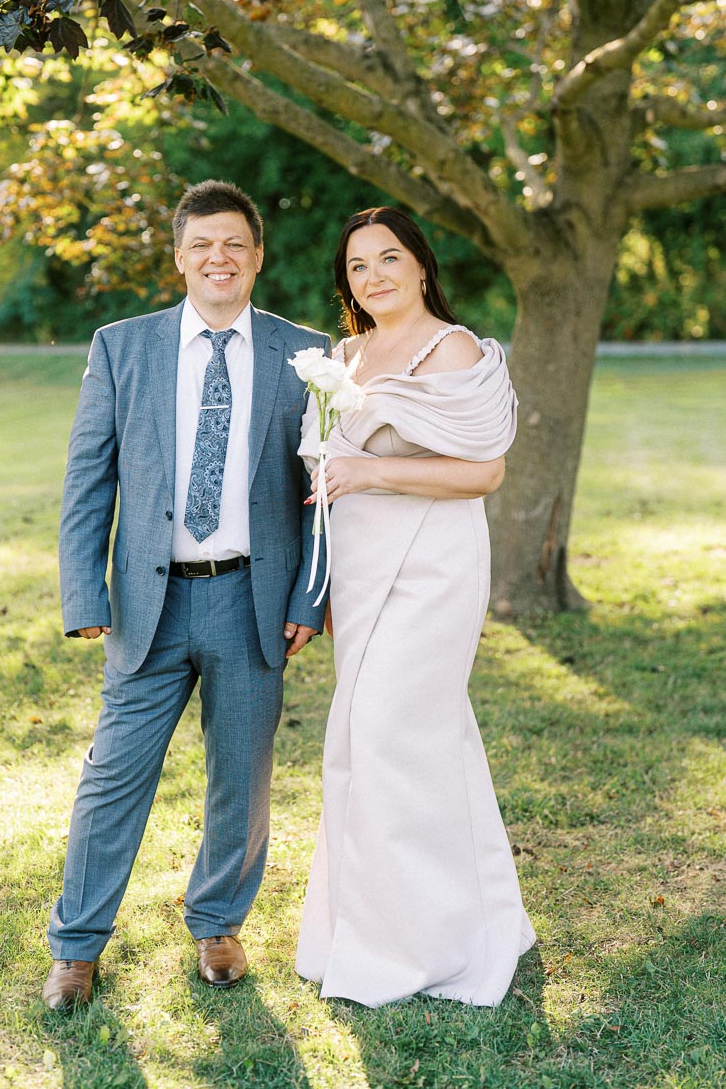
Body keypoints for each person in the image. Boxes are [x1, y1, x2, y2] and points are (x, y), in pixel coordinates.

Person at [42, 180, 328, 1011]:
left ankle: (218, 924)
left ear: (258, 257)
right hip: (146, 605)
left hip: (252, 599)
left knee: (242, 773)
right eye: (203, 244)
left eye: (235, 244)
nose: (220, 258)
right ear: (179, 258)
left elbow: (323, 491)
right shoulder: (121, 347)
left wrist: (310, 598)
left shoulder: (304, 356)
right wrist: (82, 591)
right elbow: (88, 478)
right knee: (115, 774)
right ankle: (76, 946)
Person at [295, 206, 535, 1008]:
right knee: (378, 739)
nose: (375, 277)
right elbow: (324, 472)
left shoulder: (454, 349)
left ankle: (425, 949)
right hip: (361, 571)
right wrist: (320, 582)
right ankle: (389, 926)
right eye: (359, 266)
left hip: (434, 566)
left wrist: (370, 475)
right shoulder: (345, 354)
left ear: (421, 266)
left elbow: (484, 474)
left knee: (396, 730)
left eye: (390, 258)